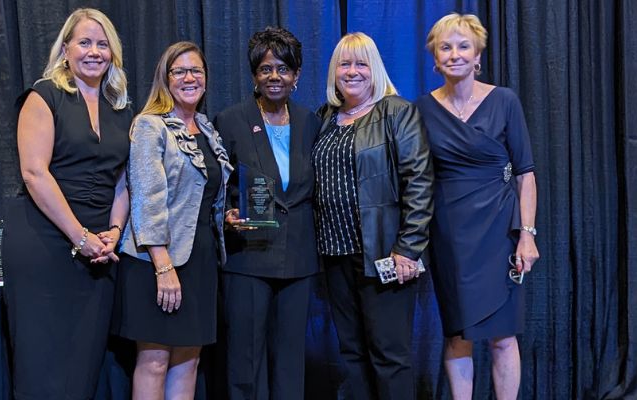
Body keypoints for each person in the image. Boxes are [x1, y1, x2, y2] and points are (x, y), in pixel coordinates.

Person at [3, 8, 131, 399]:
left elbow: (124, 180)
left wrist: (113, 232)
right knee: (43, 367)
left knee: (82, 369)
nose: (94, 51)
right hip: (46, 244)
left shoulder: (120, 108)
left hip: (99, 253)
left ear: (113, 54)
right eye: (84, 42)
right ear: (66, 50)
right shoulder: (44, 96)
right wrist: (80, 237)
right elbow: (34, 174)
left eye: (102, 43)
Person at [414, 13, 539, 400]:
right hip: (449, 235)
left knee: (503, 337)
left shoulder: (504, 101)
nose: (454, 54)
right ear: (435, 59)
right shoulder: (420, 109)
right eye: (445, 47)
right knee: (458, 334)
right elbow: (417, 179)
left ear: (477, 54)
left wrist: (527, 236)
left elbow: (525, 174)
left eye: (463, 46)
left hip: (500, 233)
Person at [314, 32, 433, 400]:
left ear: (375, 69)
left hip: (385, 255)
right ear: (334, 71)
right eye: (344, 64)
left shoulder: (396, 111)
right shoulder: (325, 117)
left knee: (389, 356)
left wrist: (409, 248)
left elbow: (419, 180)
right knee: (351, 355)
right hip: (335, 256)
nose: (352, 72)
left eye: (361, 63)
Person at [114, 41, 232, 400]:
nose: (189, 78)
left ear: (206, 79)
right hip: (157, 260)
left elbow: (199, 194)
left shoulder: (207, 130)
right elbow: (147, 199)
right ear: (165, 79)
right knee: (154, 361)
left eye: (196, 70)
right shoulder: (150, 126)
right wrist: (163, 266)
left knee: (189, 360)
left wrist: (226, 214)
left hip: (200, 259)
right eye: (179, 71)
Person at [213, 27, 320, 400]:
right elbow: (216, 186)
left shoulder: (311, 122)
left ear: (297, 75)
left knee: (291, 361)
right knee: (245, 360)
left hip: (299, 257)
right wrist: (227, 213)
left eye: (283, 69)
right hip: (249, 255)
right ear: (254, 75)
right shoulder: (230, 120)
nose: (274, 77)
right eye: (265, 69)